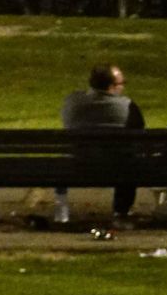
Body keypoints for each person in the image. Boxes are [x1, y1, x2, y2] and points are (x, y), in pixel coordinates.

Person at [58, 63, 145, 225]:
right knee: (129, 160)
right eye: (122, 84)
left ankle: (61, 205)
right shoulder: (127, 106)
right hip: (117, 169)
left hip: (76, 165)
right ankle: (120, 210)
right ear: (112, 86)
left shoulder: (72, 101)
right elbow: (139, 135)